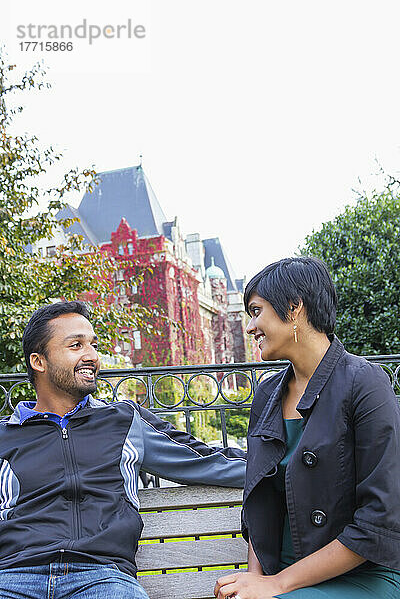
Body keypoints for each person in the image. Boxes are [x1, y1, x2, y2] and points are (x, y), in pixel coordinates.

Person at [0, 301, 246, 599]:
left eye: (93, 344)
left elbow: (205, 459)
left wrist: (282, 465)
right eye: (75, 345)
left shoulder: (124, 421)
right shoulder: (6, 434)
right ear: (39, 362)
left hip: (103, 579)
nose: (91, 356)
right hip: (13, 578)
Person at [214, 256, 400, 599]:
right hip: (282, 572)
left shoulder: (365, 384)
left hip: (362, 572)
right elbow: (260, 500)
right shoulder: (268, 395)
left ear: (294, 306)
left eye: (256, 311)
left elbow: (379, 519)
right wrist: (254, 582)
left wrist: (277, 586)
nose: (251, 327)